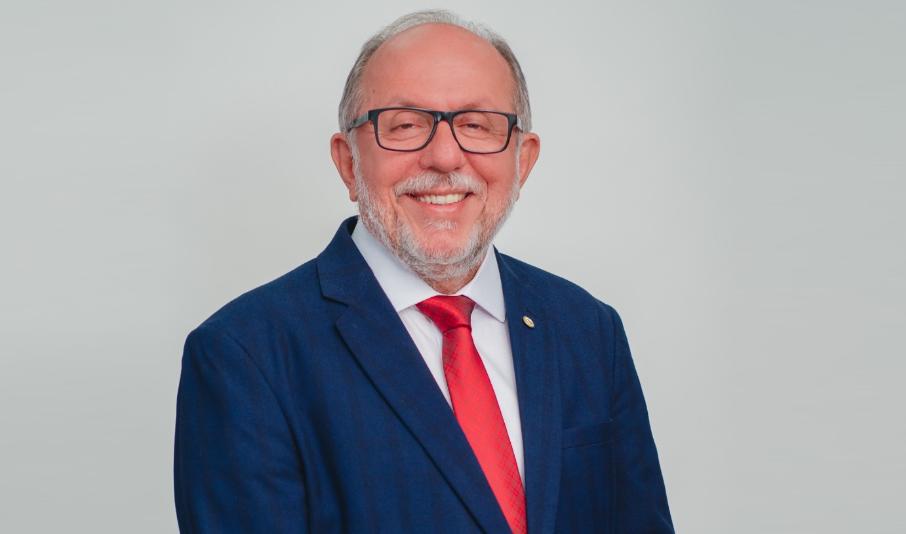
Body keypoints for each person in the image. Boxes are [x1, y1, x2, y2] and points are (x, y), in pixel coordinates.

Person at [174, 9, 674, 533]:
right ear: (348, 162)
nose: (445, 156)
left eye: (476, 125)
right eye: (406, 125)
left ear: (523, 161)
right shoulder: (245, 355)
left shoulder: (588, 331)